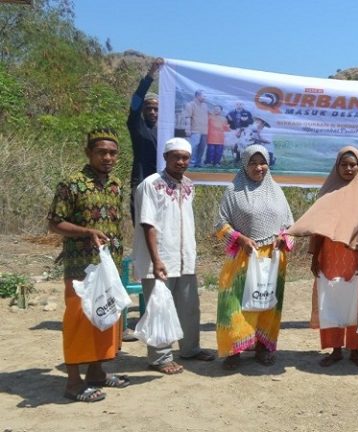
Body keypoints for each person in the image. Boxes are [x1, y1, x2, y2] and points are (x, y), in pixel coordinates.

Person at [48, 128, 129, 402]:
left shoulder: (116, 184)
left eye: (112, 153)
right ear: (89, 153)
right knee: (79, 321)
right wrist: (86, 232)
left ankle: (97, 372)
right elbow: (54, 222)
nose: (107, 157)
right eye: (101, 152)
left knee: (105, 317)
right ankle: (73, 382)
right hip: (81, 267)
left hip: (109, 266)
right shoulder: (72, 184)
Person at [288, 146, 358, 368]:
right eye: (343, 164)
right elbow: (318, 226)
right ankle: (336, 349)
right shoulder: (327, 191)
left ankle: (356, 350)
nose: (348, 168)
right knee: (333, 302)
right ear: (336, 166)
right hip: (330, 255)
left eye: (352, 164)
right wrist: (314, 256)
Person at [133, 137, 216, 375]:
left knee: (189, 307)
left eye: (185, 157)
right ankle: (159, 357)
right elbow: (148, 223)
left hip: (184, 258)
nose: (181, 162)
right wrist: (156, 259)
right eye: (176, 157)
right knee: (159, 308)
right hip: (159, 259)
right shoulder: (151, 184)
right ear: (165, 157)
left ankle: (190, 349)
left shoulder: (189, 185)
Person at [215, 144, 294, 370]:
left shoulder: (277, 191)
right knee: (235, 304)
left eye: (263, 162)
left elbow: (290, 225)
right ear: (244, 164)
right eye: (253, 163)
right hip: (243, 256)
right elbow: (221, 223)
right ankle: (233, 351)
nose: (259, 167)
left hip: (272, 258)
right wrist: (240, 239)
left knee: (267, 302)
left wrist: (283, 238)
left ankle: (263, 347)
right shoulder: (233, 191)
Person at [124, 57, 163, 342]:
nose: (152, 111)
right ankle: (146, 296)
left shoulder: (166, 133)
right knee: (143, 238)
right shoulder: (138, 129)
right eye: (149, 108)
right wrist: (150, 76)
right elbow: (135, 103)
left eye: (156, 108)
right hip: (141, 189)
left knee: (162, 240)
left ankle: (160, 296)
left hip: (165, 192)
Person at [184, 90, 209, 168]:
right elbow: (188, 117)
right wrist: (187, 129)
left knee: (202, 148)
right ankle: (191, 163)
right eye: (203, 96)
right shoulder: (190, 105)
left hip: (204, 131)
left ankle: (198, 163)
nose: (205, 97)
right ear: (197, 96)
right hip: (195, 130)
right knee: (194, 147)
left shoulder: (205, 105)